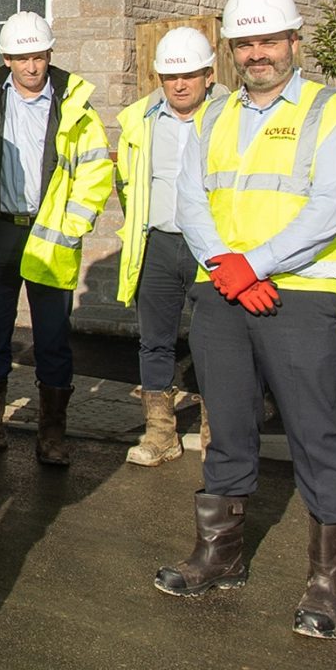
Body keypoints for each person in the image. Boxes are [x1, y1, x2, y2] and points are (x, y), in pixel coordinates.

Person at [156, 0, 336, 640]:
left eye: (268, 40)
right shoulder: (216, 116)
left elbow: (330, 207)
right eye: (244, 43)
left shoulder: (333, 113)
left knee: (316, 434)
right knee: (227, 427)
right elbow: (192, 199)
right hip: (225, 291)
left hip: (300, 295)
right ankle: (220, 556)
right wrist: (228, 266)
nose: (257, 54)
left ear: (294, 42)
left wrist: (257, 263)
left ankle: (328, 583)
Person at [0, 11, 114, 467]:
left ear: (49, 55)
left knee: (52, 338)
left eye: (38, 56)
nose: (31, 66)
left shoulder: (75, 106)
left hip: (50, 234)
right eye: (22, 58)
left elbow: (96, 171)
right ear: (6, 59)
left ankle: (52, 434)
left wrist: (72, 226)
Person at [113, 25, 227, 467]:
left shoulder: (231, 118)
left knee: (216, 342)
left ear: (208, 75)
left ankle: (218, 436)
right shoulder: (140, 120)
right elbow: (129, 184)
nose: (179, 85)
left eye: (189, 75)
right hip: (158, 243)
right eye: (170, 76)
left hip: (210, 246)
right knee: (154, 341)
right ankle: (160, 434)